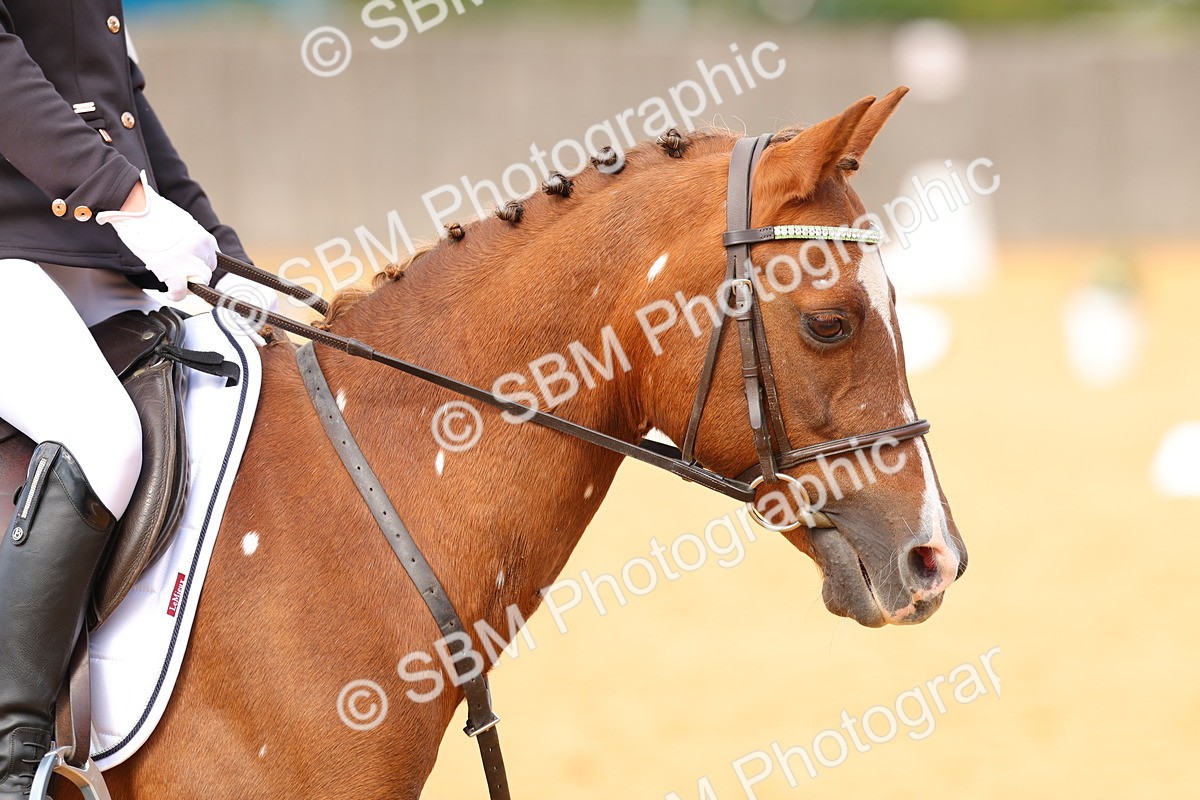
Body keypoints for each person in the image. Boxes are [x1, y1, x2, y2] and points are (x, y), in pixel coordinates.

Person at [0, 2, 267, 794]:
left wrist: (229, 263)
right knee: (101, 433)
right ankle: (11, 760)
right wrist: (126, 201)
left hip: (83, 257)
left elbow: (121, 107)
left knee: (244, 379)